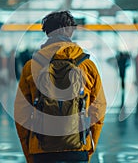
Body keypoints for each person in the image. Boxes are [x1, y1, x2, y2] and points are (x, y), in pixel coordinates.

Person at [14, 11, 107, 163]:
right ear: (71, 31)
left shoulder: (31, 66)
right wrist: (89, 145)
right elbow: (99, 109)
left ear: (47, 32)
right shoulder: (87, 66)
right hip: (77, 148)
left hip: (41, 149)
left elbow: (21, 114)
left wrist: (29, 151)